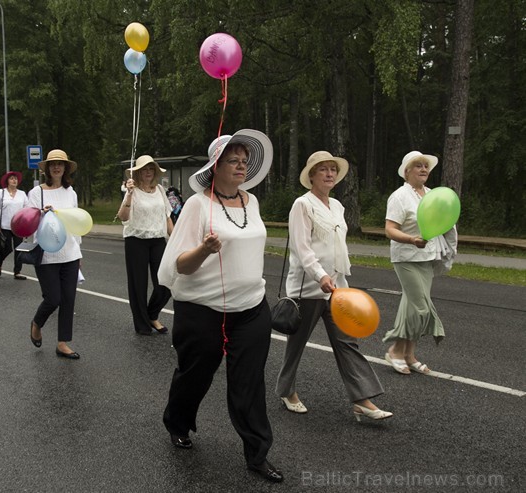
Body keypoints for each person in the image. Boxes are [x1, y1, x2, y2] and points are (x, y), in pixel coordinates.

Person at [158, 130, 283, 483]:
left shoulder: (251, 202)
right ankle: (177, 422)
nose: (241, 166)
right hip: (203, 311)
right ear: (216, 167)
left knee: (249, 384)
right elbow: (179, 264)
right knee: (195, 375)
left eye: (245, 161)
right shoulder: (198, 205)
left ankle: (258, 454)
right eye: (233, 160)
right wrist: (204, 249)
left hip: (251, 308)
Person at [276, 151, 392, 423]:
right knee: (297, 344)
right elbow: (302, 248)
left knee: (347, 342)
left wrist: (339, 280)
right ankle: (286, 391)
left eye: (332, 170)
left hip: (337, 290)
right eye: (323, 170)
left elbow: (339, 247)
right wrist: (320, 275)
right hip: (308, 288)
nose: (329, 174)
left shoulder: (337, 206)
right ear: (312, 176)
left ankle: (362, 400)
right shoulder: (302, 205)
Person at [382, 151, 457, 375]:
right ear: (407, 172)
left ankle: (409, 354)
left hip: (427, 258)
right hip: (406, 257)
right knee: (420, 308)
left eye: (426, 166)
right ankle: (395, 350)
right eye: (418, 166)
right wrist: (412, 239)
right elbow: (389, 229)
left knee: (411, 308)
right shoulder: (399, 196)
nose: (424, 169)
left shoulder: (432, 195)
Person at [27, 149, 83, 359]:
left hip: (70, 252)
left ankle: (62, 343)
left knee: (69, 299)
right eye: (53, 164)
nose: (57, 167)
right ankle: (36, 323)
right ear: (47, 169)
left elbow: (76, 222)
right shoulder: (36, 193)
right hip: (46, 254)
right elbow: (27, 223)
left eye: (61, 164)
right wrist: (41, 213)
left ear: (66, 168)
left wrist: (79, 252)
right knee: (53, 299)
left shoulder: (71, 193)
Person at [117, 155, 174, 335]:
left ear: (155, 172)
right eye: (144, 170)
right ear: (138, 173)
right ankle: (142, 324)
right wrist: (129, 194)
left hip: (157, 240)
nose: (148, 172)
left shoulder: (159, 190)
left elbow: (167, 217)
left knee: (165, 282)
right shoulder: (131, 190)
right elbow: (123, 217)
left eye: (151, 169)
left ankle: (151, 314)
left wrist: (176, 239)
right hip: (136, 240)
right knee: (138, 285)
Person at [0, 171, 28, 279]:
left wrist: (27, 225)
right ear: (7, 181)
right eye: (11, 178)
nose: (14, 180)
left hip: (18, 226)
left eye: (15, 178)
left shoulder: (22, 194)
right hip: (5, 226)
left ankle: (17, 271)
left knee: (19, 248)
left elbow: (27, 209)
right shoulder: (0, 193)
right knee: (7, 247)